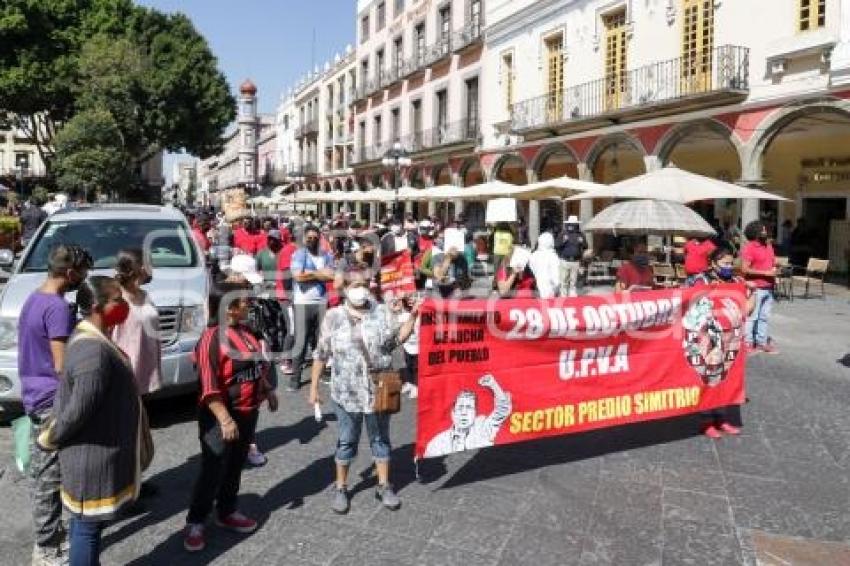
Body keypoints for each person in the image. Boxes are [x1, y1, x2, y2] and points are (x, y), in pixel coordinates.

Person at [42, 276, 139, 566]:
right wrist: (49, 437)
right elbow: (79, 409)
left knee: (86, 524)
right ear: (97, 306)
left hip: (94, 454)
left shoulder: (96, 337)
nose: (123, 305)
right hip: (91, 458)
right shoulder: (92, 350)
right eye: (117, 300)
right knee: (87, 527)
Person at [309, 270, 420, 514]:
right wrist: (314, 387)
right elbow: (321, 353)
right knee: (347, 440)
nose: (361, 289)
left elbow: (394, 341)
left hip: (377, 390)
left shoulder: (380, 311)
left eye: (364, 284)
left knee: (380, 438)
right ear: (345, 289)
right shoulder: (333, 316)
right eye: (355, 285)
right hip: (346, 393)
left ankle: (383, 485)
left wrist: (411, 318)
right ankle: (341, 487)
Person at [184, 281, 278, 553]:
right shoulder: (211, 339)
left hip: (248, 412)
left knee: (235, 465)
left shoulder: (246, 332)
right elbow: (209, 386)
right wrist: (225, 420)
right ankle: (196, 521)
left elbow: (254, 366)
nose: (249, 305)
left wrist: (267, 389)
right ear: (228, 309)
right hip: (219, 416)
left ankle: (227, 511)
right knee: (212, 468)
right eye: (243, 301)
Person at [19, 244, 91, 566]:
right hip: (52, 400)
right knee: (48, 478)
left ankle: (50, 541)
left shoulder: (34, 298)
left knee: (43, 474)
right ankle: (47, 549)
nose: (85, 278)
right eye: (84, 272)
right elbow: (62, 365)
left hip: (35, 394)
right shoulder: (58, 308)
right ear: (71, 272)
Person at [685, 247, 753, 438]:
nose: (729, 267)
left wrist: (752, 293)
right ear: (713, 264)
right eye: (725, 264)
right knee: (710, 379)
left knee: (726, 379)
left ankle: (722, 418)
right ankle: (706, 421)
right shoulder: (700, 280)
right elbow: (690, 303)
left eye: (731, 263)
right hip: (709, 338)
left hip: (731, 339)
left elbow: (746, 311)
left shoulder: (737, 282)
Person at [288, 225, 335, 390]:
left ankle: (320, 374)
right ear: (304, 238)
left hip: (321, 302)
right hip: (302, 302)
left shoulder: (326, 255)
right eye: (309, 238)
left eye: (315, 238)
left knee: (320, 341)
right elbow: (298, 277)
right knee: (300, 342)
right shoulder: (299, 254)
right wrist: (318, 274)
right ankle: (295, 379)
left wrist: (310, 273)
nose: (312, 240)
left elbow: (332, 275)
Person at [111, 249, 162, 396]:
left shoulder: (144, 295)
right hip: (124, 373)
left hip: (145, 368)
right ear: (142, 269)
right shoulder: (116, 299)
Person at [424, 374, 512, 458]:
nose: (464, 413)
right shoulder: (437, 443)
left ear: (475, 413)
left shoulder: (483, 428)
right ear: (453, 413)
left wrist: (493, 385)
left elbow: (503, 409)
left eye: (469, 408)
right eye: (460, 408)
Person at [741, 220, 778, 354]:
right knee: (752, 316)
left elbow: (772, 263)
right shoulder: (750, 247)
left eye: (765, 230)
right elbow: (744, 269)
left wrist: (774, 270)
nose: (765, 232)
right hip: (755, 288)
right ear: (755, 232)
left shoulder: (768, 246)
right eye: (762, 230)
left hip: (769, 287)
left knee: (764, 317)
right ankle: (748, 342)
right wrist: (765, 273)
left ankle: (761, 342)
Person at [432, 231, 471, 299]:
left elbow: (465, 277)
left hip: (456, 292)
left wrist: (461, 284)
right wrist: (448, 258)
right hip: (439, 291)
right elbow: (438, 275)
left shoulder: (462, 259)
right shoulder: (437, 256)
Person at [557, 216, 586, 297]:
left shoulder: (580, 234)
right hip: (565, 260)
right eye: (571, 224)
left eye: (574, 224)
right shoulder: (563, 234)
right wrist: (563, 241)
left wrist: (582, 242)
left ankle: (572, 293)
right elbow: (557, 245)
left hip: (576, 260)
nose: (573, 225)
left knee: (574, 280)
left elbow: (585, 246)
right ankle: (563, 294)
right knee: (564, 279)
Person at [529, 232, 561, 299]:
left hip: (537, 290)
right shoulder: (553, 256)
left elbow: (532, 270)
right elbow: (556, 277)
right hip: (550, 290)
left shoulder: (533, 255)